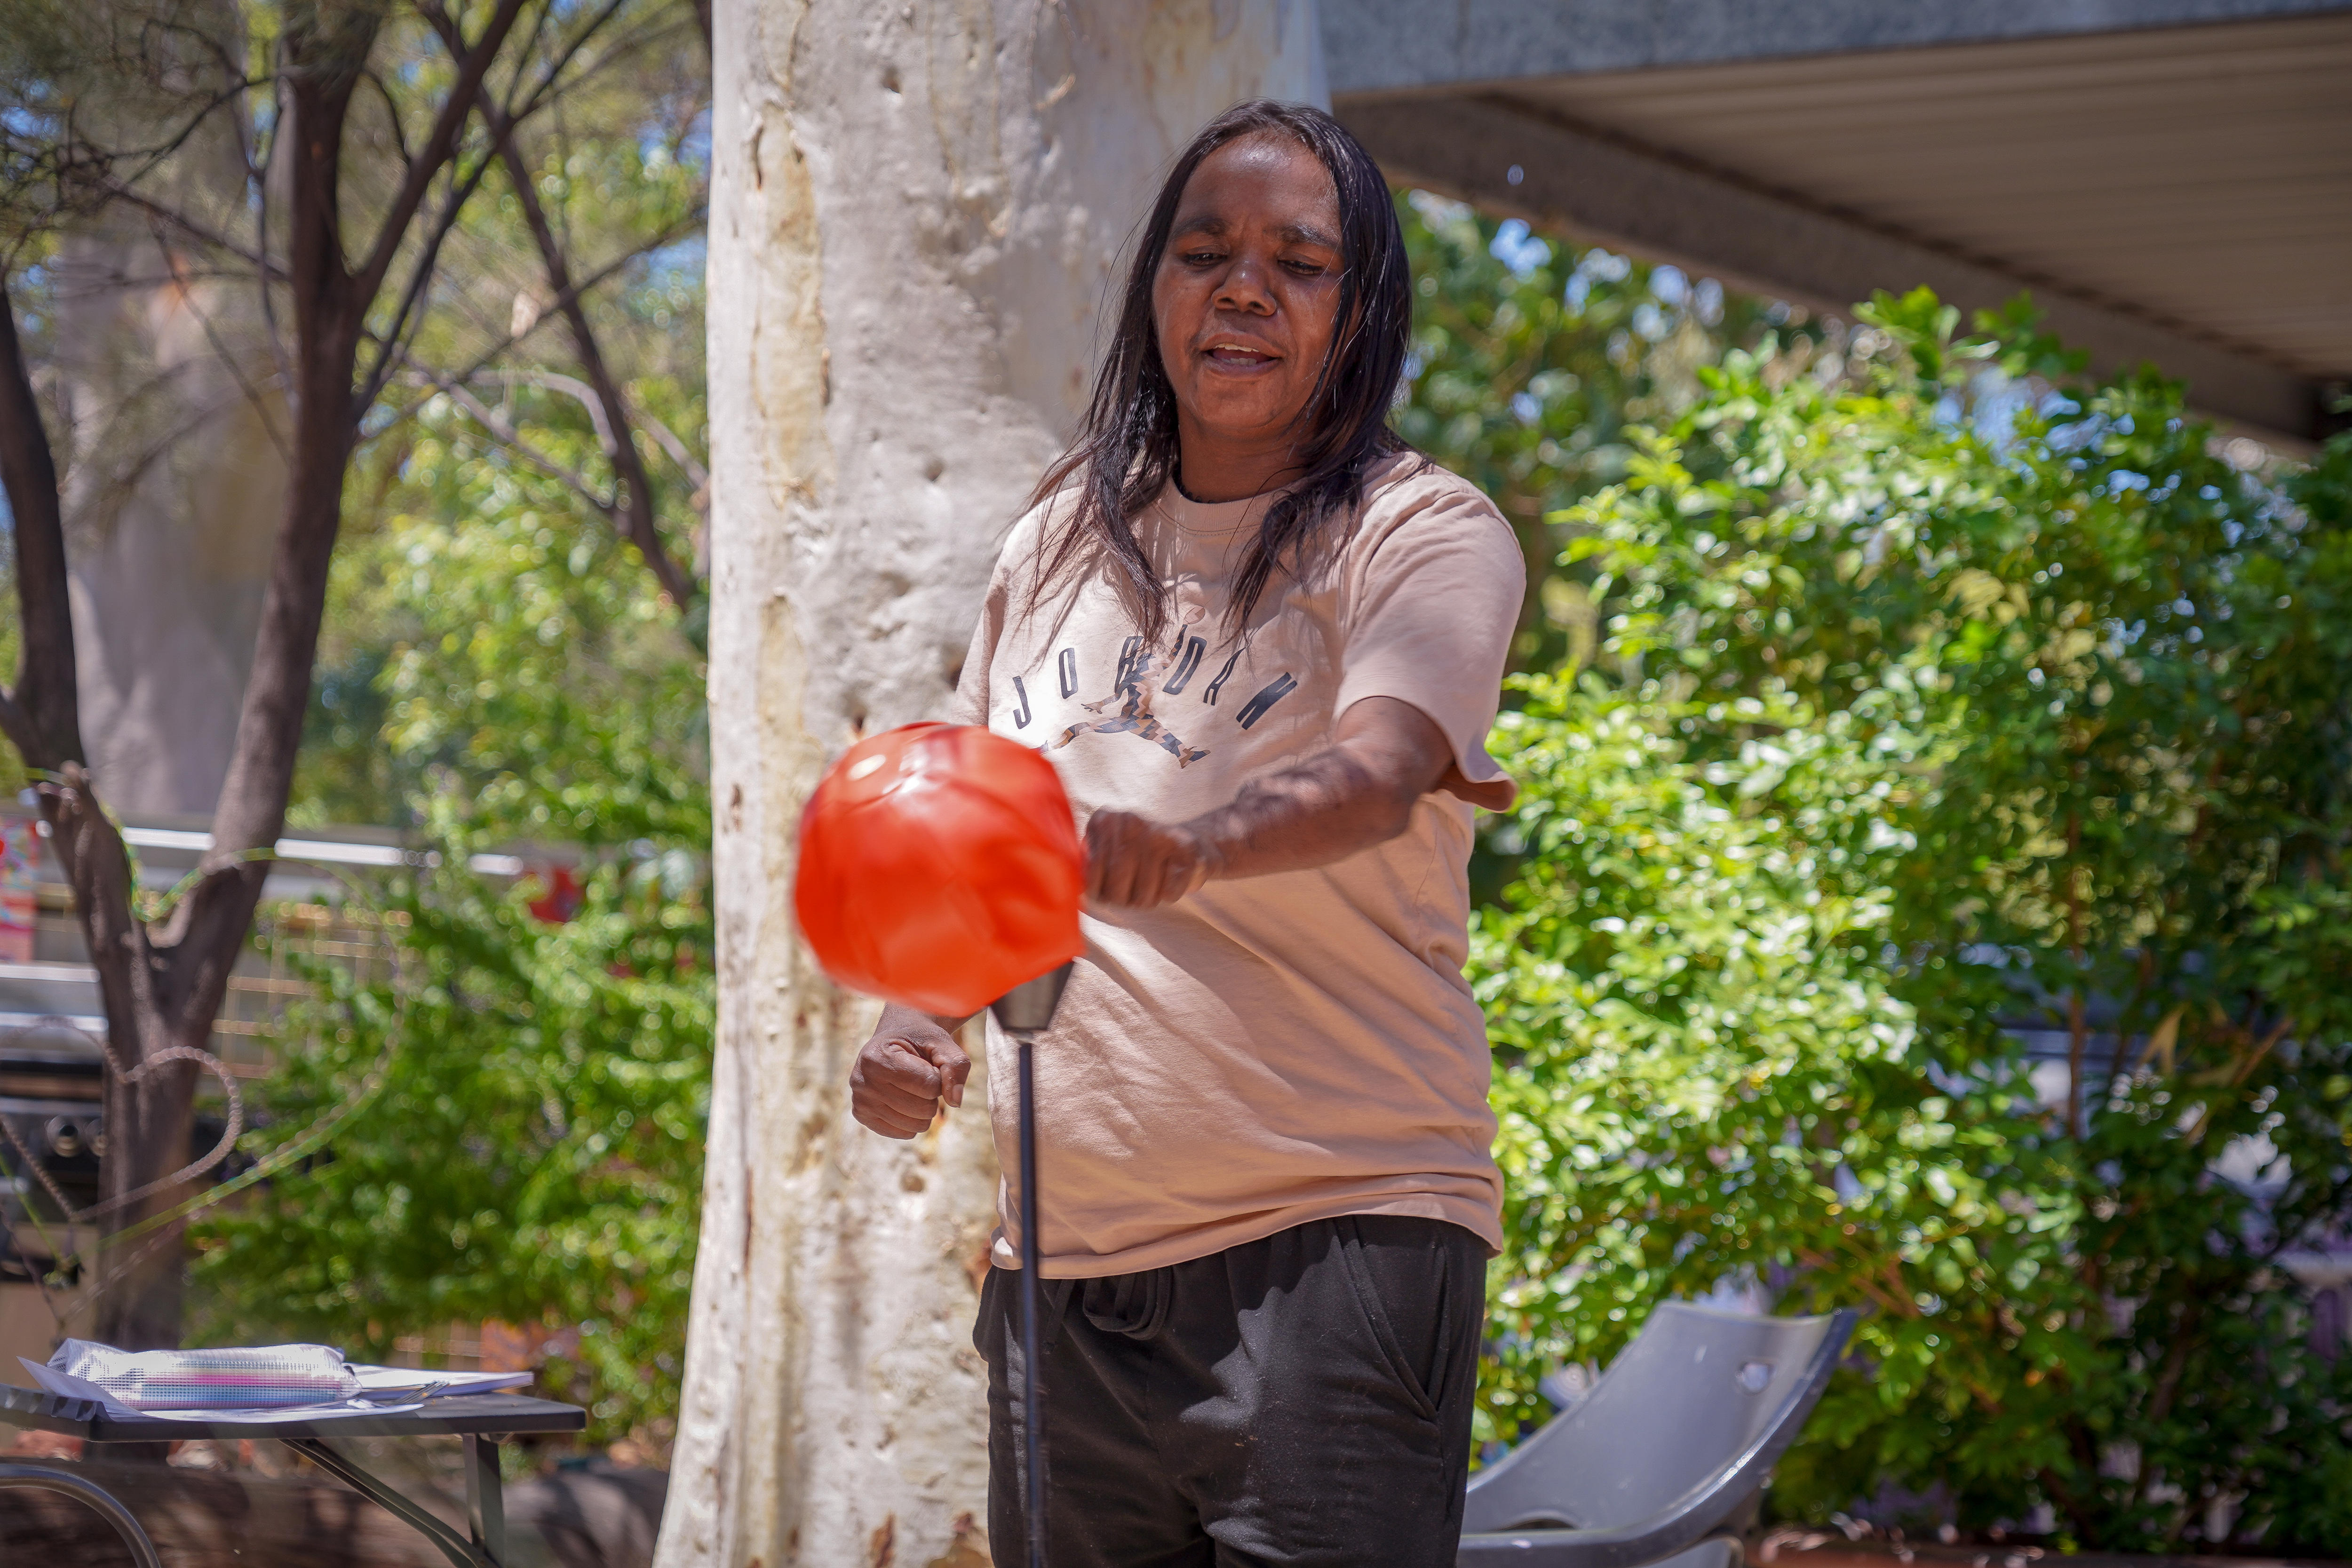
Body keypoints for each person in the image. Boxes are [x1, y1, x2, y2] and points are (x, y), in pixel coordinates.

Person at [848, 100, 1524, 1567]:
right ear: (1154, 286)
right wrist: (920, 1020)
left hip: (1338, 1238)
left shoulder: (1424, 532)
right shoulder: (1056, 542)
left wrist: (1202, 843)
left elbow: (1389, 765)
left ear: (1365, 310)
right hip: (1065, 1273)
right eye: (1204, 251)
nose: (1242, 288)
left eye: (1301, 262)